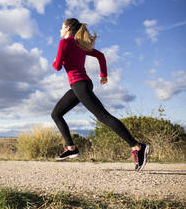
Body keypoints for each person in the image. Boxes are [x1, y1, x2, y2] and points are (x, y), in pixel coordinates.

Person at [51, 18, 150, 172]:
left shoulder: (64, 43)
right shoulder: (80, 44)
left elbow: (57, 66)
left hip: (79, 85)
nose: (60, 30)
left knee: (103, 116)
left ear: (68, 28)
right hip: (81, 85)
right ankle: (71, 148)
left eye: (62, 27)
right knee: (56, 113)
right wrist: (103, 74)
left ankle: (137, 146)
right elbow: (101, 56)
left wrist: (57, 61)